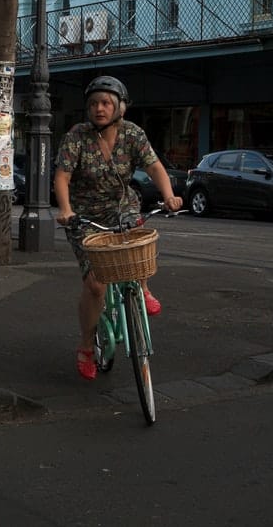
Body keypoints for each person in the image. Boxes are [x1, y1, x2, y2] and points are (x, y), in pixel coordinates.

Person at [53, 75, 183, 381]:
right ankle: (86, 346)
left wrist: (169, 196)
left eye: (106, 103)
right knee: (96, 284)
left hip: (122, 206)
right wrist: (66, 210)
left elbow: (154, 167)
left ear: (120, 108)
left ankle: (143, 287)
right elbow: (62, 177)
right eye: (94, 103)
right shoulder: (77, 136)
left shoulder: (132, 134)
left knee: (136, 249)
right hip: (85, 215)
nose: (99, 108)